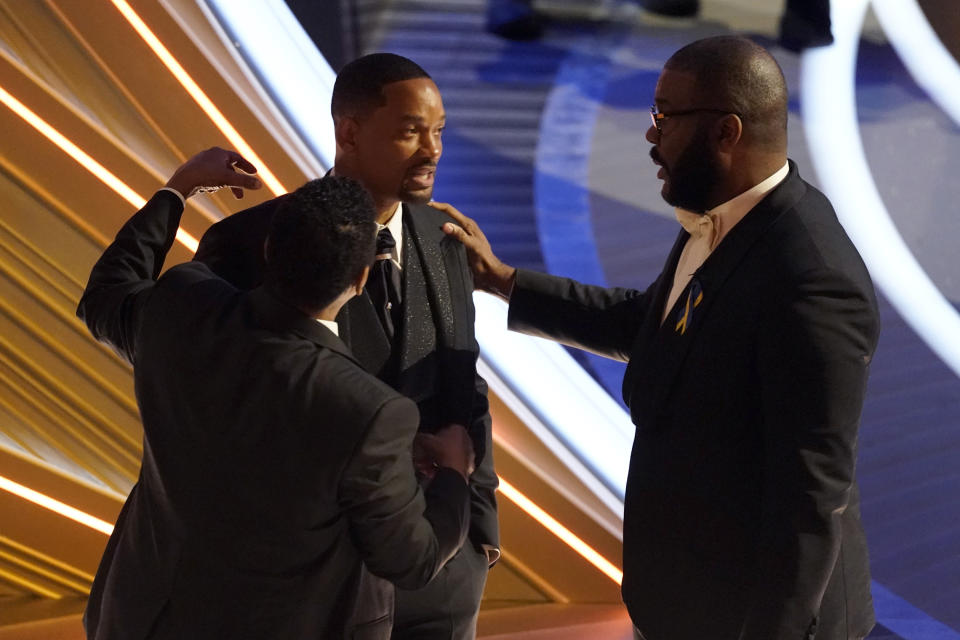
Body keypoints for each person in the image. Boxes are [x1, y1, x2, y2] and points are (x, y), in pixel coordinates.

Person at [438, 36, 879, 640]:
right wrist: (505, 282)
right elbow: (653, 323)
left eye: (665, 117)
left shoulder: (812, 279)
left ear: (726, 133)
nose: (651, 135)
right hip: (686, 602)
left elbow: (809, 495)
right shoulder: (723, 213)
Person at [77, 148, 475, 640]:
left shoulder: (180, 305)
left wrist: (178, 190)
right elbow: (413, 561)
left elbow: (106, 294)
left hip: (140, 619)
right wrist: (455, 474)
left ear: (268, 250)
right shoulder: (369, 411)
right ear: (361, 278)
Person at [193, 53, 498, 640]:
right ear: (349, 132)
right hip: (314, 586)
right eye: (411, 131)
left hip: (443, 576)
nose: (432, 151)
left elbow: (466, 382)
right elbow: (225, 411)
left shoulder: (446, 237)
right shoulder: (247, 242)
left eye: (438, 132)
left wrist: (479, 533)